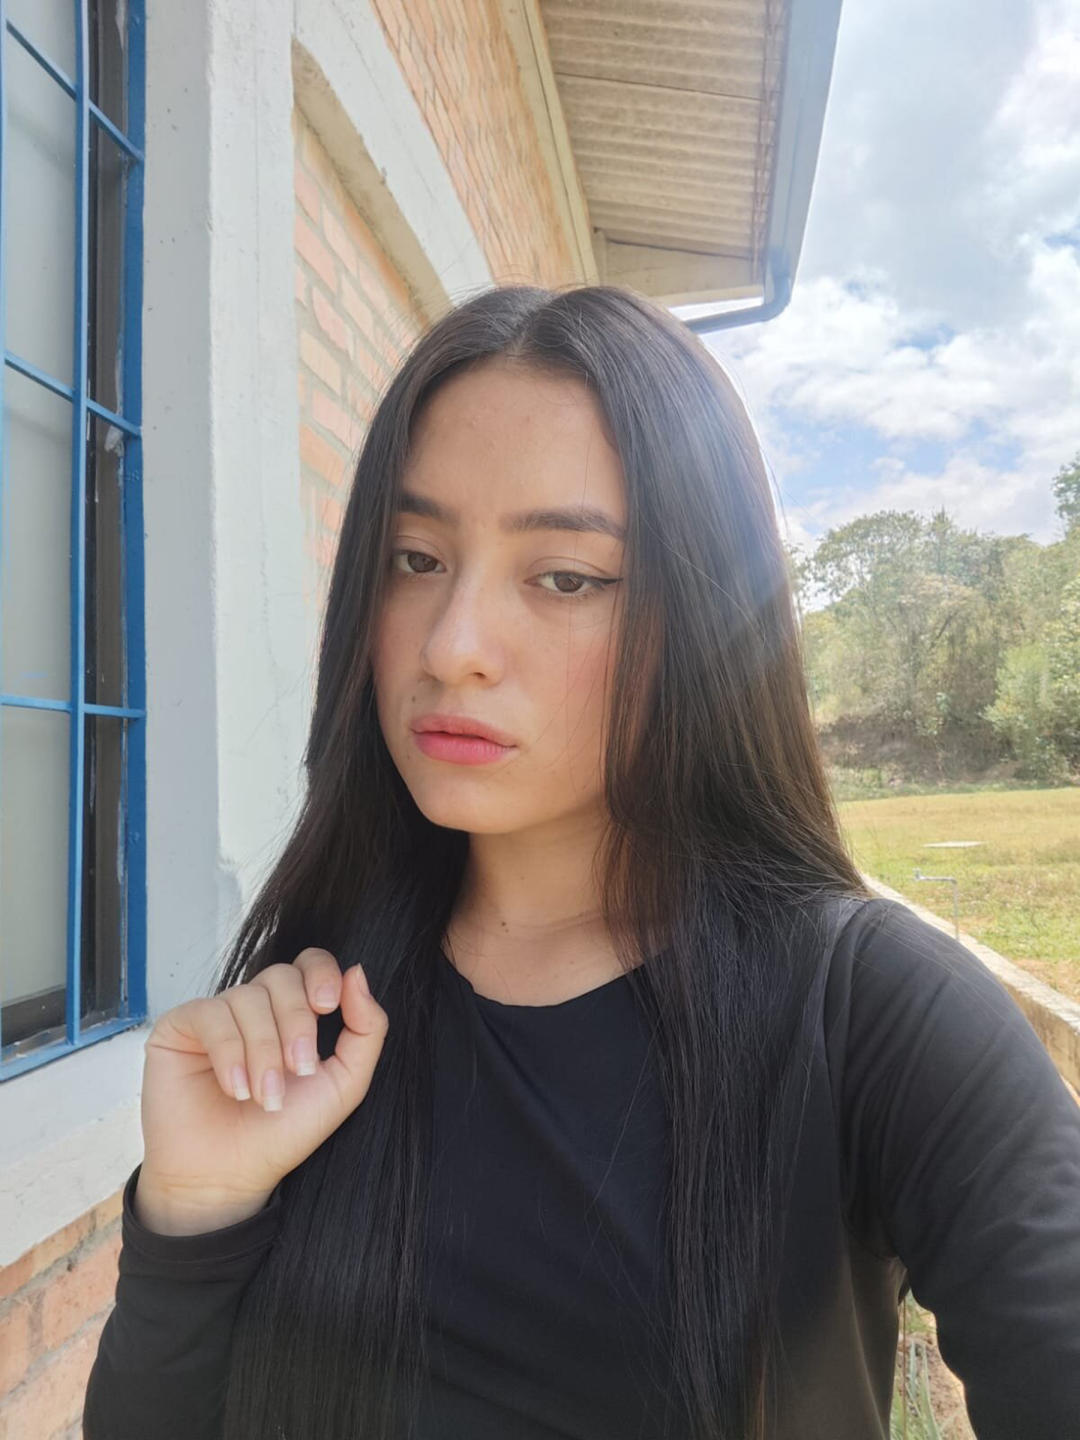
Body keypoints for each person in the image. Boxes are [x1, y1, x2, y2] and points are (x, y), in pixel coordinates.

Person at [83, 284, 1080, 1440]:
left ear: (705, 616)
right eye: (416, 557)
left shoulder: (872, 1014)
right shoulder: (313, 1008)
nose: (454, 645)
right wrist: (196, 1215)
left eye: (564, 576)